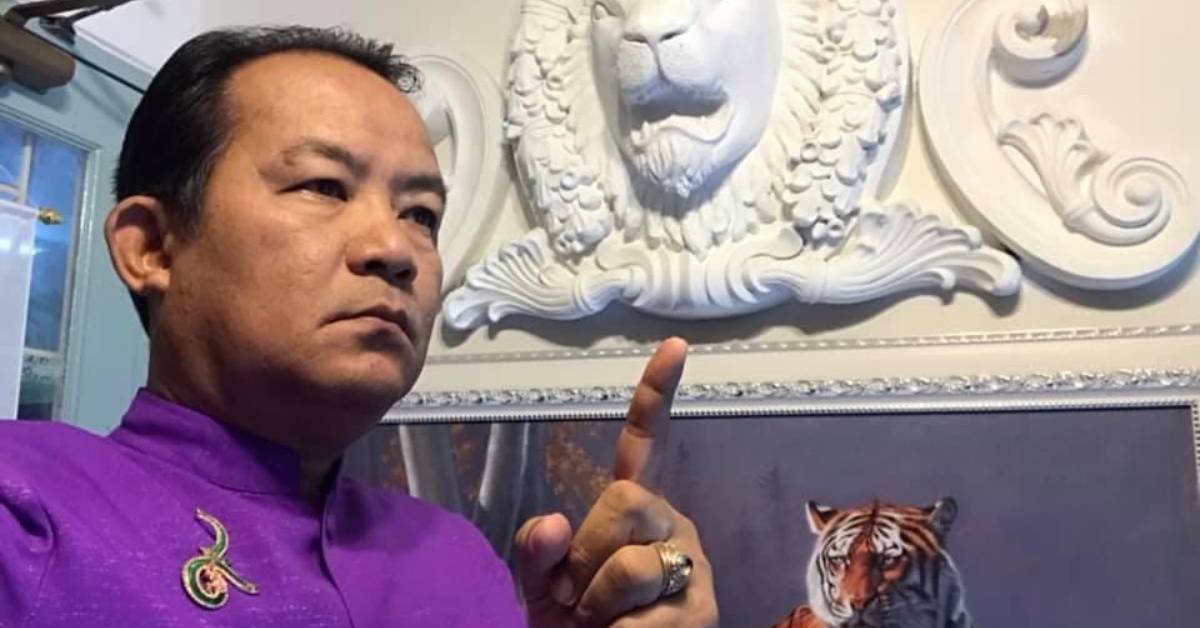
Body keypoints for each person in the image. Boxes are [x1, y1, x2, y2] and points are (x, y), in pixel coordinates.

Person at [0, 26, 718, 628]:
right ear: (153, 248)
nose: (394, 247)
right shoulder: (25, 506)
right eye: (323, 186)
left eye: (420, 214)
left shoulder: (456, 559)